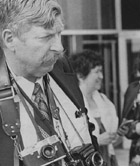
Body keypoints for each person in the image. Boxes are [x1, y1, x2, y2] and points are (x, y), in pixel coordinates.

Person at [0, 1, 100, 166]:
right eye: (46, 37)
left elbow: (85, 126)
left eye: (59, 34)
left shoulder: (62, 68)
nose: (59, 48)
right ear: (10, 39)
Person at [69, 50, 119, 166]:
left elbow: (114, 134)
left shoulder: (104, 100)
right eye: (97, 72)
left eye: (101, 71)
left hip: (107, 159)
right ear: (80, 75)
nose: (101, 76)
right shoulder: (72, 103)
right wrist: (98, 141)